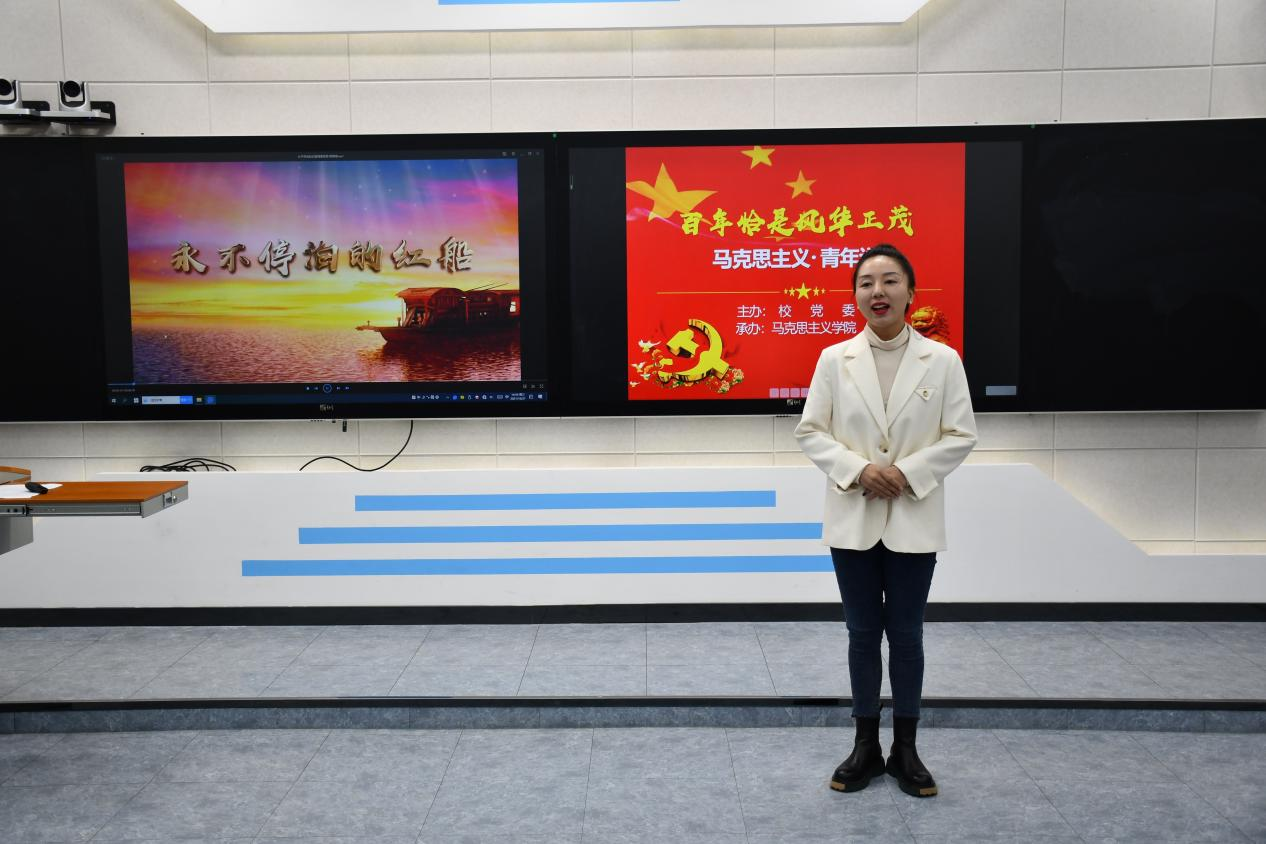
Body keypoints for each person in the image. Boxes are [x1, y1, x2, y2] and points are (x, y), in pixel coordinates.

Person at [795, 243, 977, 798]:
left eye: (890, 281)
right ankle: (865, 745)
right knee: (861, 634)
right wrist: (858, 471)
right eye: (867, 282)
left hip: (913, 517)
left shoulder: (942, 360)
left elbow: (961, 435)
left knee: (906, 635)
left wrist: (905, 473)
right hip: (853, 517)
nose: (878, 292)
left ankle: (906, 749)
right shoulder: (834, 359)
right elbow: (810, 431)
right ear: (855, 295)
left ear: (910, 293)